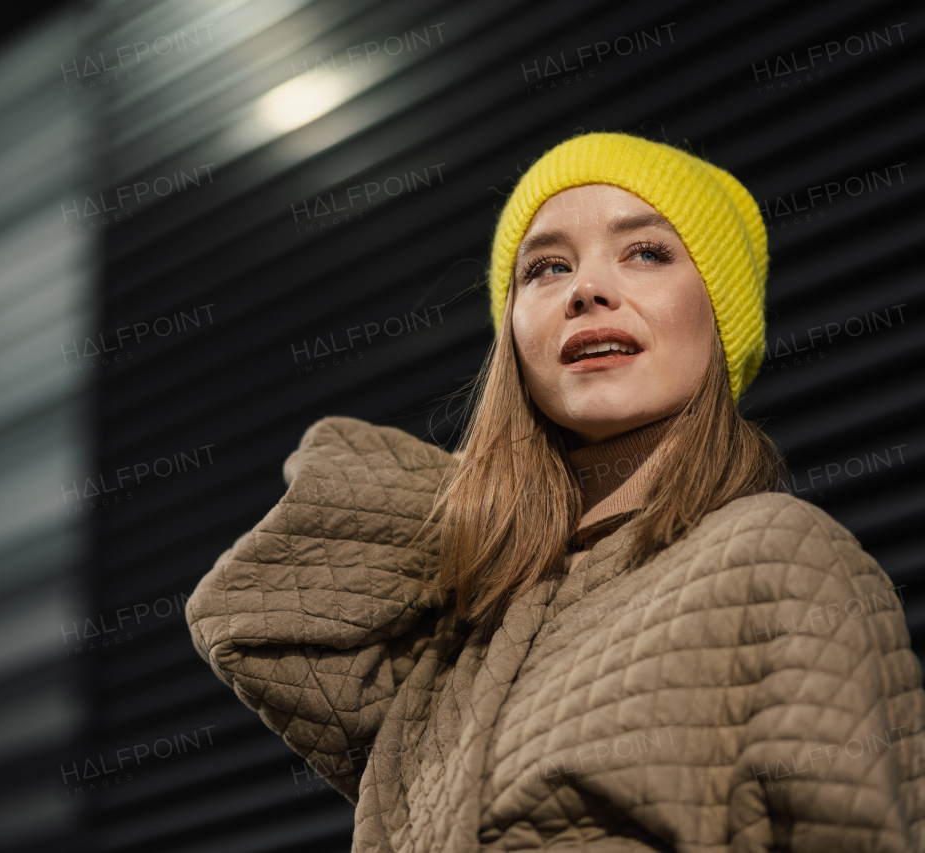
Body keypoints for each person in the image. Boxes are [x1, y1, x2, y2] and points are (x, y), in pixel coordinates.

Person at [185, 132, 925, 851]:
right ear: (512, 337)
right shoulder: (467, 626)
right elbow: (248, 618)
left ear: (719, 314)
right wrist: (492, 496)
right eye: (544, 268)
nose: (587, 288)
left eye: (646, 252)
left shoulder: (779, 554)